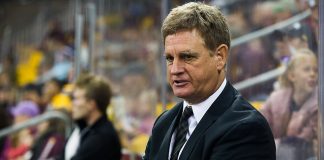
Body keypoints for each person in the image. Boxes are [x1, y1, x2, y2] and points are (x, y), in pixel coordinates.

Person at [143, 2, 275, 160]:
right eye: (170, 58)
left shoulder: (246, 129)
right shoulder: (164, 123)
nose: (175, 69)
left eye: (187, 57)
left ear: (220, 57)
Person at [260, 48, 318, 160]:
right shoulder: (275, 99)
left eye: (315, 70)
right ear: (292, 76)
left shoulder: (319, 104)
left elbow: (301, 147)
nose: (312, 74)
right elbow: (258, 128)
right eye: (307, 69)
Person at [61, 74, 121, 160]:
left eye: (76, 99)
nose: (72, 104)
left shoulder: (102, 137)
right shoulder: (83, 129)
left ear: (91, 104)